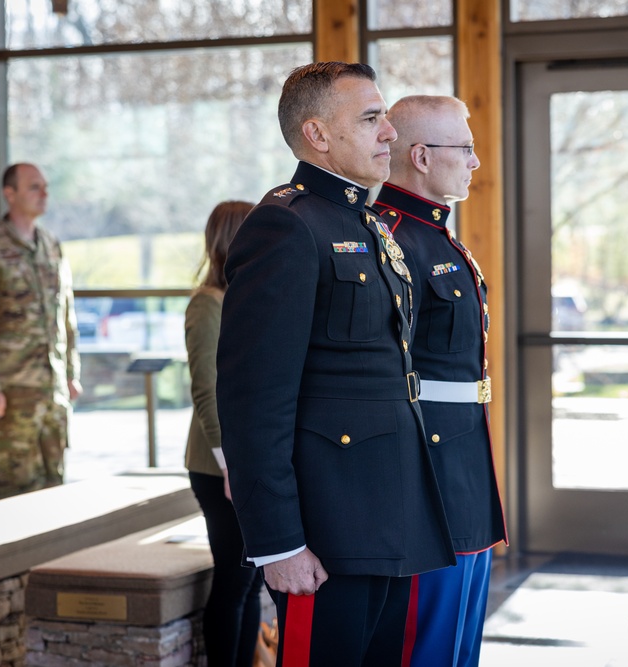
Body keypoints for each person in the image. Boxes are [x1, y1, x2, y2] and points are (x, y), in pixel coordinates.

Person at [215, 62, 456, 666]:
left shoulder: (366, 223)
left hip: (388, 519)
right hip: (327, 535)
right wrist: (278, 544)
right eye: (372, 119)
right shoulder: (286, 227)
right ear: (318, 134)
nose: (390, 135)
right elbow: (253, 401)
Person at [374, 95, 507, 667]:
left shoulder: (439, 236)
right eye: (466, 148)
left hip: (463, 460)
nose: (476, 162)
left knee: (460, 640)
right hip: (425, 471)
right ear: (422, 156)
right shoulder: (391, 239)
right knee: (424, 642)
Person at [0, 162, 82, 499]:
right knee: (14, 494)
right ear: (9, 194)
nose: (44, 194)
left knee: (54, 489)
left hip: (51, 394)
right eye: (33, 187)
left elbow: (65, 317)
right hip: (10, 396)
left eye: (45, 186)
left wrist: (70, 374)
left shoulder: (51, 245)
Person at [183, 200, 263, 666]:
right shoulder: (206, 305)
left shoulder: (244, 297)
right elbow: (207, 392)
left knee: (251, 582)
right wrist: (230, 464)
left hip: (246, 461)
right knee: (233, 582)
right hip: (219, 467)